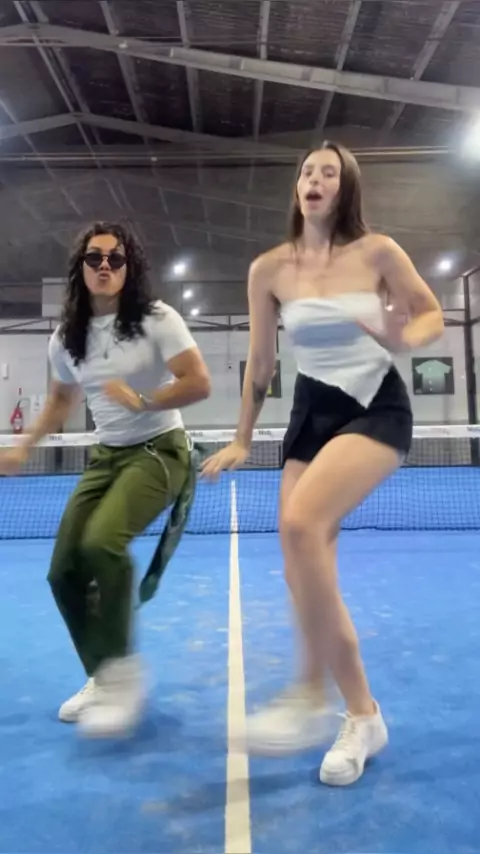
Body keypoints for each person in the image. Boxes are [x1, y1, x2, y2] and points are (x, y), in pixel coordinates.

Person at [202, 142, 444, 786]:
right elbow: (261, 363)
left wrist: (403, 336)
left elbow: (430, 315)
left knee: (301, 524)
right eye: (307, 171)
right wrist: (243, 438)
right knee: (302, 570)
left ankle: (308, 693)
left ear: (344, 188)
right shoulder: (268, 269)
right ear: (298, 187)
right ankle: (363, 716)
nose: (314, 179)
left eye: (328, 172)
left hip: (375, 409)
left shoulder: (378, 252)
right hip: (311, 415)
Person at [0, 222, 211, 738]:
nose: (104, 266)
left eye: (115, 258)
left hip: (160, 451)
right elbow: (60, 401)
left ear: (128, 267)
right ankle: (102, 674)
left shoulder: (157, 319)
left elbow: (199, 383)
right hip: (106, 459)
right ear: (81, 267)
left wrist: (142, 400)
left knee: (101, 543)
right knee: (62, 572)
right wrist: (23, 446)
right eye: (95, 257)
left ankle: (123, 674)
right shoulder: (65, 338)